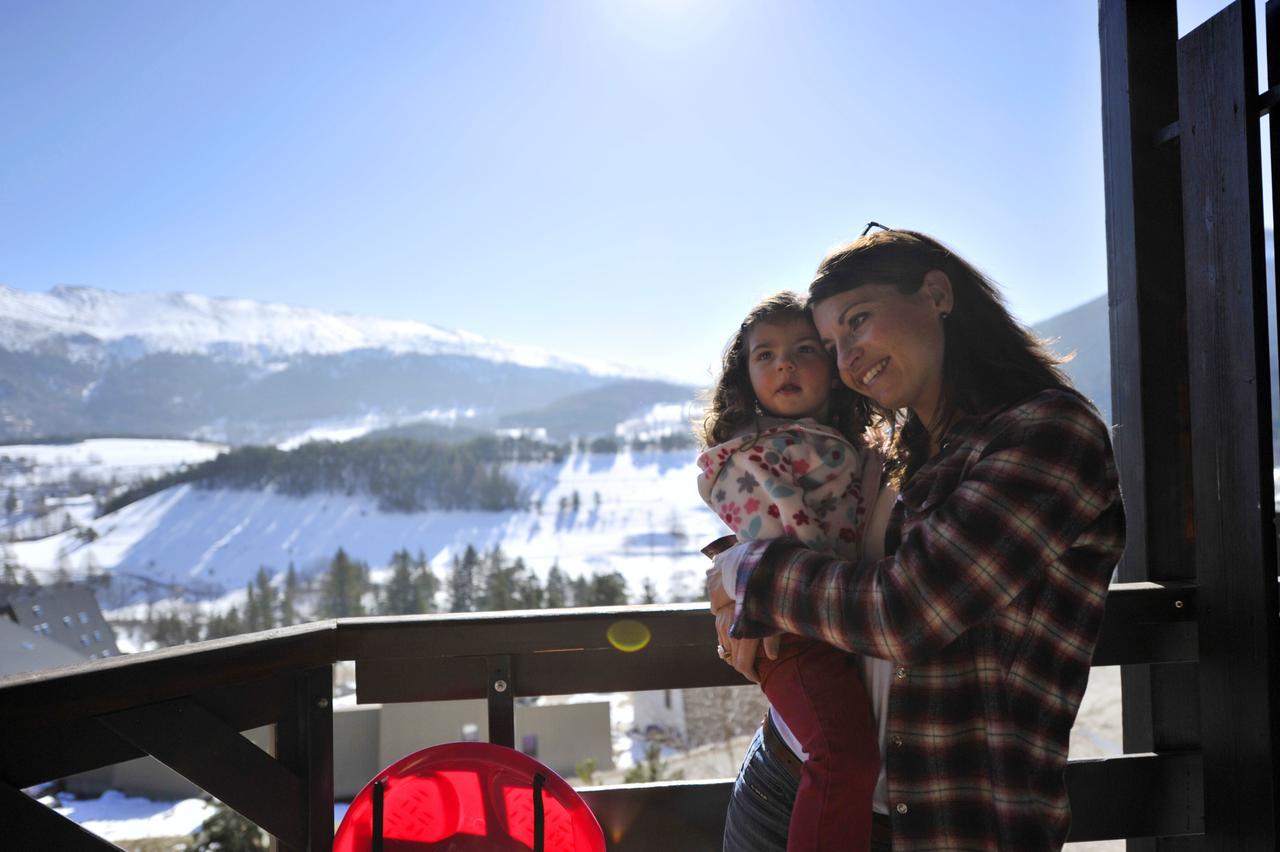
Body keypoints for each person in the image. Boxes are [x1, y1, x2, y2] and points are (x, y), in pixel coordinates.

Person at [710, 228, 1126, 851]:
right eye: (830, 344)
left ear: (936, 294)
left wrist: (752, 580)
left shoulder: (1046, 435)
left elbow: (907, 611)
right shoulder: (894, 451)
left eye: (857, 321)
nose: (846, 357)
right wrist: (731, 585)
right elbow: (794, 547)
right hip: (786, 787)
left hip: (951, 825)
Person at [696, 291, 887, 851]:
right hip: (793, 635)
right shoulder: (753, 455)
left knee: (843, 754)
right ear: (745, 376)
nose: (785, 364)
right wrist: (735, 582)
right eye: (766, 355)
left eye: (805, 349)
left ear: (832, 366)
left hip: (823, 630)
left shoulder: (853, 445)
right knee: (843, 756)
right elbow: (765, 545)